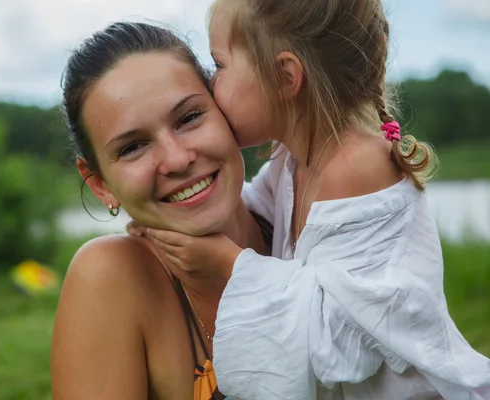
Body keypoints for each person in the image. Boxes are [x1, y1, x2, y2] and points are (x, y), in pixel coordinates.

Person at [141, 0, 490, 399]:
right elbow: (251, 209)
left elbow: (347, 335)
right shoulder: (293, 160)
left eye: (219, 65)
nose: (210, 84)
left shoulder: (356, 167)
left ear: (285, 76)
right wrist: (174, 216)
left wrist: (230, 265)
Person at [50, 21, 268, 400]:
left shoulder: (310, 220)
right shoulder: (113, 276)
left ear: (225, 109)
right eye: (133, 147)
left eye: (189, 118)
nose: (177, 159)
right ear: (100, 183)